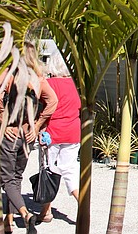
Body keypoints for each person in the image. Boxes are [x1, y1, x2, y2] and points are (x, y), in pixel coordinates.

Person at [0, 43, 58, 234]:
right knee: (16, 178)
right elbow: (53, 101)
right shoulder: (39, 78)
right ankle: (8, 223)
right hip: (28, 135)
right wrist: (37, 124)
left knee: (7, 180)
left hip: (11, 134)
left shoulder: (9, 74)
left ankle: (24, 214)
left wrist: (3, 121)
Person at [38, 52, 81, 225]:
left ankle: (46, 211)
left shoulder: (48, 84)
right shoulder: (76, 86)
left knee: (49, 170)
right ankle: (82, 205)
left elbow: (42, 108)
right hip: (72, 132)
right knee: (70, 169)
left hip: (52, 133)